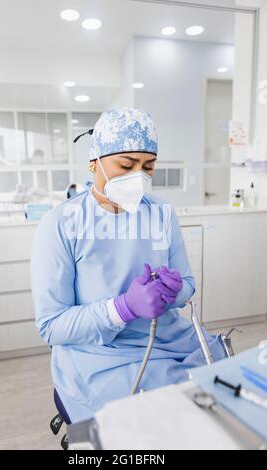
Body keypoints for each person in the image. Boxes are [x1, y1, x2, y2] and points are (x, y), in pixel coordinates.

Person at [31, 108, 226, 423]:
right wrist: (121, 308)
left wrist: (174, 291)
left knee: (223, 401)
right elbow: (51, 325)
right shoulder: (60, 225)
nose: (139, 176)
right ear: (94, 163)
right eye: (126, 165)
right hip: (101, 356)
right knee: (159, 424)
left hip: (171, 341)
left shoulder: (161, 213)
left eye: (148, 167)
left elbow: (187, 285)